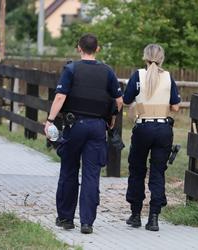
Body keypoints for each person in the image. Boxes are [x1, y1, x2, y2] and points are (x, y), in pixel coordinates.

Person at [44, 34, 123, 234]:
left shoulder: (71, 69)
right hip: (97, 127)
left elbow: (61, 96)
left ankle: (66, 218)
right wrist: (112, 117)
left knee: (69, 170)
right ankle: (87, 222)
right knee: (91, 174)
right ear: (98, 49)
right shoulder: (107, 72)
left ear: (79, 48)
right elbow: (119, 100)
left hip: (74, 125)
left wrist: (50, 120)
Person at [123, 44, 180, 231]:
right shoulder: (168, 77)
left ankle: (135, 214)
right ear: (161, 58)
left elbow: (126, 100)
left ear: (144, 57)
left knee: (137, 170)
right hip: (163, 129)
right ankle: (154, 217)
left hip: (143, 128)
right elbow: (175, 107)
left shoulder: (138, 75)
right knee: (158, 172)